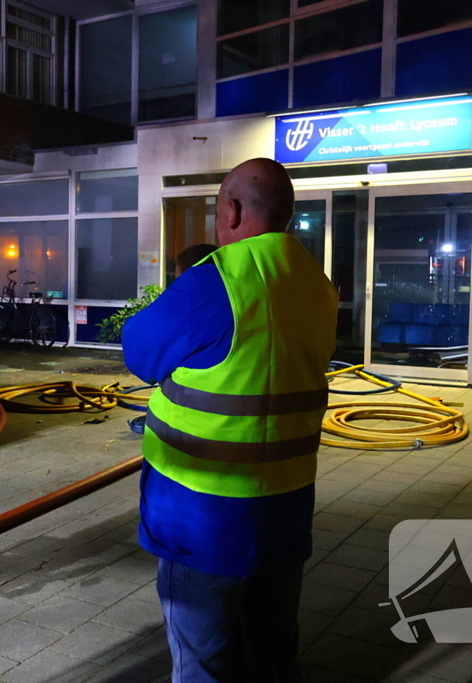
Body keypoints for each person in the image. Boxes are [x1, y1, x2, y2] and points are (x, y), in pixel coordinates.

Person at [122, 158, 338, 683]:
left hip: (204, 517)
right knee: (273, 653)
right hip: (286, 511)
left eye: (219, 210)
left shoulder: (216, 281)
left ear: (234, 210)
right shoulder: (316, 283)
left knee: (204, 665)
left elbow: (140, 352)